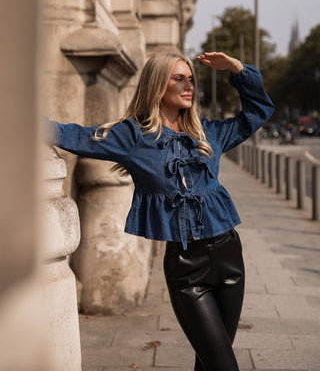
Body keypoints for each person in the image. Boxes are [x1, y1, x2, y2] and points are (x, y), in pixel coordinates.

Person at [45, 51, 275, 371]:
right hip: (186, 268)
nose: (188, 86)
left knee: (209, 362)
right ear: (157, 85)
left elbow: (258, 110)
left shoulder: (209, 133)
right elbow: (73, 135)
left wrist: (237, 69)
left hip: (229, 257)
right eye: (178, 79)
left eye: (191, 79)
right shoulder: (132, 136)